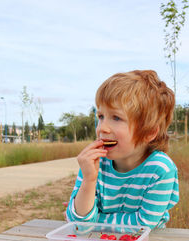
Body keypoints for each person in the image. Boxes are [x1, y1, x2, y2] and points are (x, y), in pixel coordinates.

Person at [65, 70, 179, 229]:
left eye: (116, 118)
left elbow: (143, 225)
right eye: (101, 116)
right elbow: (77, 223)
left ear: (149, 132)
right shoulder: (95, 164)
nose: (102, 128)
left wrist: (95, 220)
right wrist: (89, 180)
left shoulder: (160, 169)